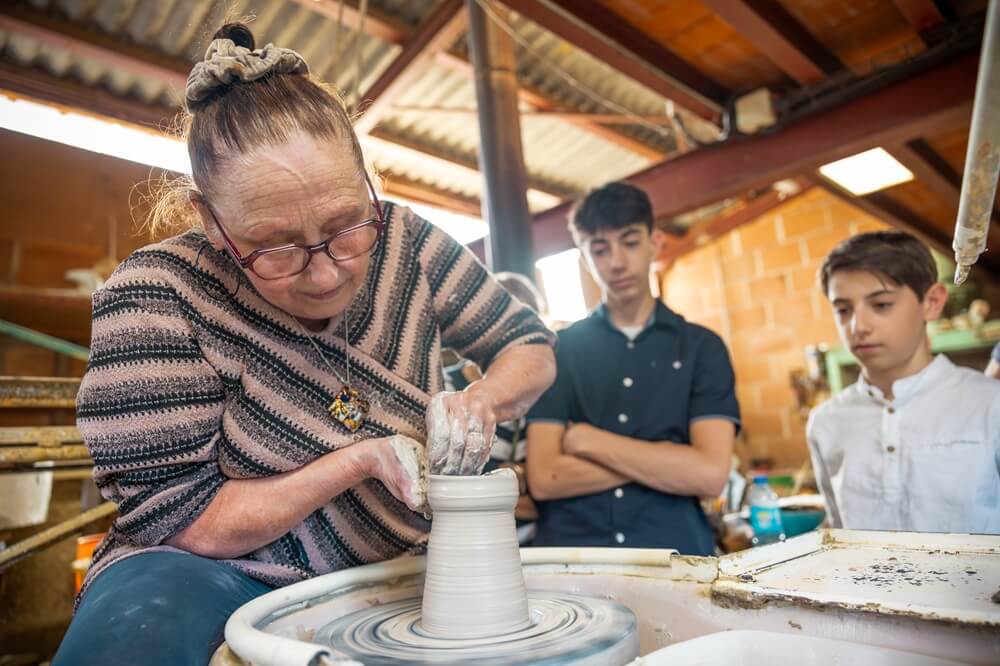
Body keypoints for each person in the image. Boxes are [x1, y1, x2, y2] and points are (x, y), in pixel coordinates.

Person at [53, 24, 555, 665]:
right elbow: (180, 517)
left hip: (401, 566)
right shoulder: (158, 294)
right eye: (277, 248)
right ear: (212, 221)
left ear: (366, 179)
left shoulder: (406, 242)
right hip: (213, 574)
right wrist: (359, 460)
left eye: (345, 228)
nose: (325, 276)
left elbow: (528, 345)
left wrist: (483, 400)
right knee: (138, 632)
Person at [525, 182, 740, 555]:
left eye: (630, 242)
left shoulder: (703, 348)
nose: (617, 262)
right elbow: (545, 478)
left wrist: (588, 442)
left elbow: (709, 476)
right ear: (585, 259)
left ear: (655, 242)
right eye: (600, 249)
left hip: (676, 556)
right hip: (574, 559)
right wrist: (669, 460)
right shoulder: (559, 350)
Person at [807, 231, 999, 534]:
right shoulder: (825, 422)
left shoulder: (990, 404)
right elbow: (838, 535)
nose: (858, 327)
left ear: (931, 302)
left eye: (881, 305)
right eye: (843, 310)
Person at [444, 272, 546, 543]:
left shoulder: (543, 393)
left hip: (535, 540)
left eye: (526, 332)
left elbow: (550, 489)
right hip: (469, 541)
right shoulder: (446, 389)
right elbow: (449, 486)